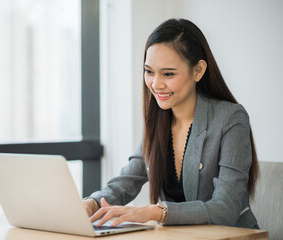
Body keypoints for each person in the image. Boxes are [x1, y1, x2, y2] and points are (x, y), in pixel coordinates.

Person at [83, 18, 259, 229]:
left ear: (198, 71)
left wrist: (156, 212)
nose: (156, 84)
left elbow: (226, 208)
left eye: (168, 74)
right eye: (149, 71)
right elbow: (126, 181)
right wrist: (92, 203)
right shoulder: (157, 122)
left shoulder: (231, 118)